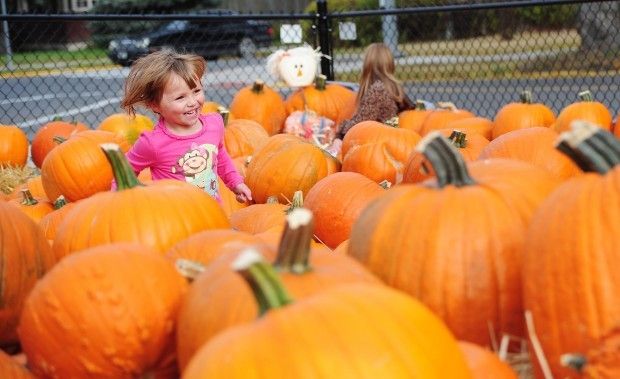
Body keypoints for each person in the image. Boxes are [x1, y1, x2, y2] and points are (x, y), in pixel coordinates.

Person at [120, 48, 252, 204]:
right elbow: (124, 172)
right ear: (155, 105)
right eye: (180, 97)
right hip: (176, 220)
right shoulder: (152, 144)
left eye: (196, 91)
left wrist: (236, 183)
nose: (192, 102)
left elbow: (220, 156)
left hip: (213, 213)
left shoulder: (214, 124)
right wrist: (119, 203)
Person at [337, 42, 414, 139]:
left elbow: (360, 124)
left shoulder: (377, 90)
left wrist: (339, 129)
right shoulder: (390, 87)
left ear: (367, 65)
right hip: (386, 137)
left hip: (379, 140)